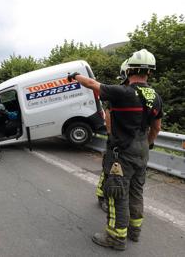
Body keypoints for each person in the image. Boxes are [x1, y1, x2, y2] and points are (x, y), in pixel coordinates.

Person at [68, 49, 163, 251]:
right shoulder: (155, 96)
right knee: (136, 192)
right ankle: (134, 231)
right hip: (142, 150)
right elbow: (156, 128)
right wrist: (147, 144)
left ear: (129, 71)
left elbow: (92, 84)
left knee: (117, 194)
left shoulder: (123, 93)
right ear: (149, 72)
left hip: (122, 154)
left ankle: (116, 238)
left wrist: (75, 76)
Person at [96, 60, 129, 213]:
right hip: (115, 140)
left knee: (116, 171)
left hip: (123, 141)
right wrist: (111, 135)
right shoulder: (119, 93)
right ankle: (102, 197)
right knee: (108, 170)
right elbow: (108, 116)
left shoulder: (131, 93)